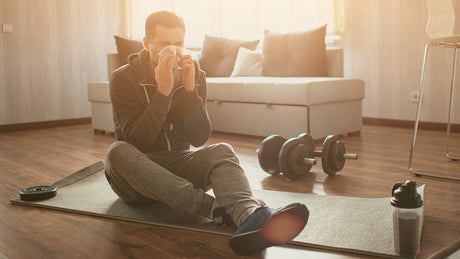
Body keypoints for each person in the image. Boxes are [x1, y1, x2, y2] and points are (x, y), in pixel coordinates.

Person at [104, 10, 309, 255]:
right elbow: (136, 142)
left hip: (178, 167)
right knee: (117, 152)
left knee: (223, 150)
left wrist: (190, 91)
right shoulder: (123, 78)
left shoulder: (195, 74)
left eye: (178, 43)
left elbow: (199, 138)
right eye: (164, 44)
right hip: (137, 178)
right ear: (147, 44)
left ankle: (250, 217)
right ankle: (214, 209)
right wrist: (163, 93)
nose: (173, 50)